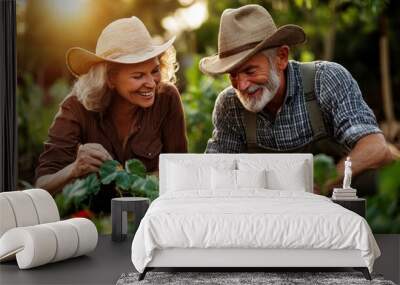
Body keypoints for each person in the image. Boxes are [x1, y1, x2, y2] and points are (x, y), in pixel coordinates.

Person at [199, 5, 393, 194]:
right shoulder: (229, 105)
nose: (241, 85)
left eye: (250, 71)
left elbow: (375, 147)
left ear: (281, 57)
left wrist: (321, 185)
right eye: (233, 75)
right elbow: (217, 170)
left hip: (341, 204)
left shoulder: (325, 80)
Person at [35, 16, 188, 199]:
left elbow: (180, 170)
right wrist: (74, 169)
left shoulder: (167, 98)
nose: (151, 83)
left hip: (150, 214)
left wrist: (146, 181)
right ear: (110, 78)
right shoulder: (76, 108)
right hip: (92, 221)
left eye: (154, 71)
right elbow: (41, 185)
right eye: (138, 76)